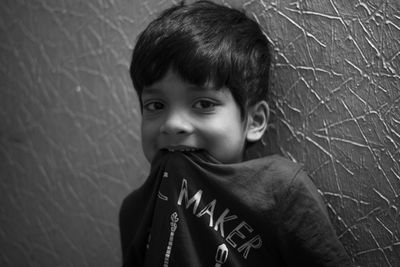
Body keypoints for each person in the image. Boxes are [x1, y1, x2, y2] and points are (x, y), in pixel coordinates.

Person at [119, 1, 352, 266]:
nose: (172, 124)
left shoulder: (280, 192)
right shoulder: (135, 210)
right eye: (156, 105)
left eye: (203, 104)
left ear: (254, 121)